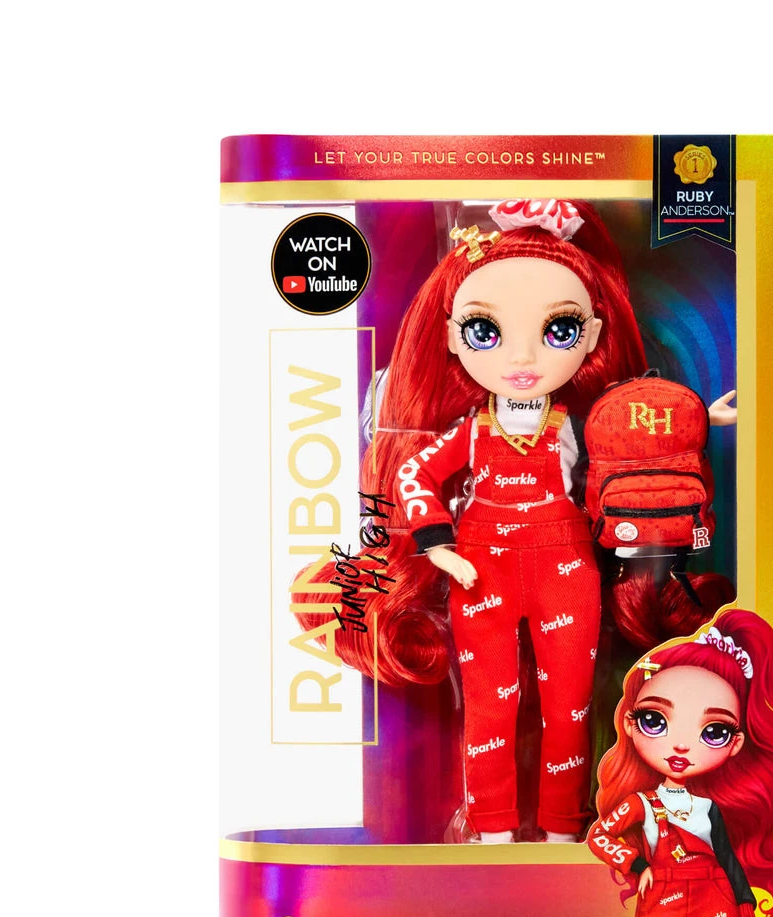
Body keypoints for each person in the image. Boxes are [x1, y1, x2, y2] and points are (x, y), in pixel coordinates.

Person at [295, 199, 734, 843]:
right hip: (480, 572)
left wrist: (695, 418)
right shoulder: (469, 431)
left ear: (593, 333)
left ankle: (563, 830)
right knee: (487, 712)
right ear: (452, 337)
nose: (523, 357)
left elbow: (634, 441)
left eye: (559, 329)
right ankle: (492, 830)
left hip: (567, 572)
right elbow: (414, 475)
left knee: (569, 711)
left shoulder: (578, 424)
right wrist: (438, 545)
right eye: (485, 330)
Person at [587, 608, 773, 917]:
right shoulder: (640, 803)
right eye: (655, 720)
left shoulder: (709, 808)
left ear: (735, 743)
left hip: (715, 895)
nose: (681, 746)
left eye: (714, 731)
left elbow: (728, 859)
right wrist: (636, 864)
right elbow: (599, 836)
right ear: (631, 723)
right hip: (661, 893)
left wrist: (746, 909)